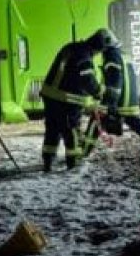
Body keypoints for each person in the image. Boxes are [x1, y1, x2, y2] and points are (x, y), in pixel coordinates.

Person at [83, 29, 140, 157]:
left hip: (119, 100)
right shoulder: (122, 53)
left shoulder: (111, 55)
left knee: (95, 119)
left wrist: (110, 104)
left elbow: (114, 80)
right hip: (129, 99)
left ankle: (83, 150)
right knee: (136, 123)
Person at [39, 30, 106, 172]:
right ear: (96, 48)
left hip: (50, 95)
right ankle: (73, 161)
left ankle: (48, 160)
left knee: (52, 129)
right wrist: (99, 91)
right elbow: (87, 78)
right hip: (66, 99)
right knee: (71, 130)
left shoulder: (72, 47)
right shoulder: (84, 54)